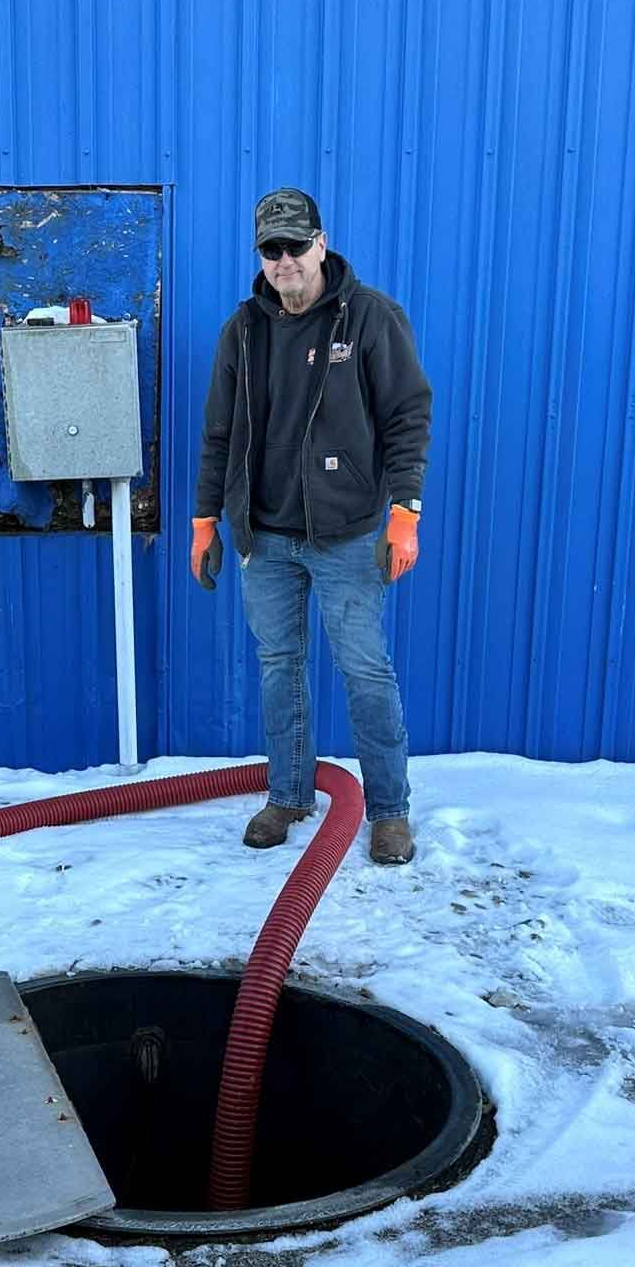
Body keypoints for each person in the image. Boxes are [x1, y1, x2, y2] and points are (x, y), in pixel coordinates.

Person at [190, 187, 431, 865]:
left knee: (364, 670)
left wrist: (404, 513)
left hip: (347, 534)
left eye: (297, 245)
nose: (286, 260)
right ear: (260, 255)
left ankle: (388, 811)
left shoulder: (372, 320)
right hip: (262, 536)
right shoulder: (242, 331)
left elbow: (408, 419)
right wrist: (205, 520)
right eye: (273, 249)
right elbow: (218, 433)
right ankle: (289, 792)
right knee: (278, 666)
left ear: (321, 243)